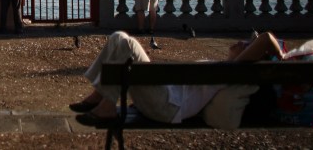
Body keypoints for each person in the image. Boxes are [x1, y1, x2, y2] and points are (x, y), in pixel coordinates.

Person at [70, 30, 285, 128]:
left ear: (248, 56)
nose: (241, 42)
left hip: (167, 105)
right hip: (161, 96)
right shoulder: (222, 66)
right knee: (119, 37)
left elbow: (266, 38)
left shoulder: (230, 70)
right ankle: (99, 95)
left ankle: (107, 104)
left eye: (246, 45)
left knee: (127, 46)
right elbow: (259, 38)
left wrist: (282, 57)